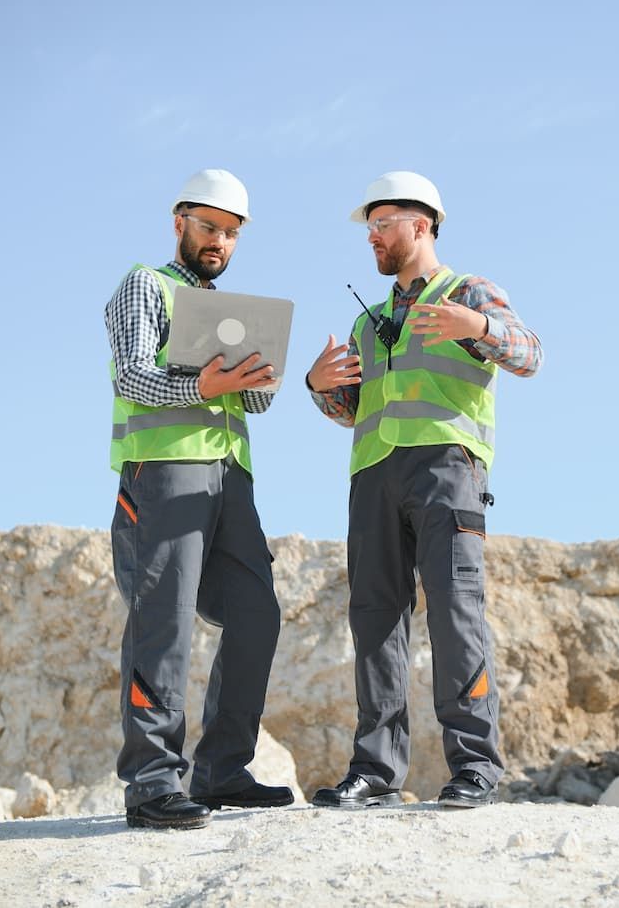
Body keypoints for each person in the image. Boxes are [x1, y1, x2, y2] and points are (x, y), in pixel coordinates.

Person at [305, 170, 543, 809]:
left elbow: (530, 354)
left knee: (455, 609)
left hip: (448, 468)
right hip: (374, 473)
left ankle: (475, 768)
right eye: (370, 228)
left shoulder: (470, 291)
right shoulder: (370, 321)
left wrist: (478, 326)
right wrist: (319, 384)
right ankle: (375, 772)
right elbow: (352, 410)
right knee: (375, 619)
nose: (373, 238)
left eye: (382, 224)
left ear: (421, 224)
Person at [104, 168, 292, 830]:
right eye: (209, 226)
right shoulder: (144, 285)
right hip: (163, 475)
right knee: (165, 623)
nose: (219, 241)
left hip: (229, 478)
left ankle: (220, 770)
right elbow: (133, 374)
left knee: (257, 615)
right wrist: (204, 387)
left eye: (231, 233)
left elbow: (260, 401)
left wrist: (257, 375)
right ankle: (152, 782)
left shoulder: (231, 311)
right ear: (179, 220)